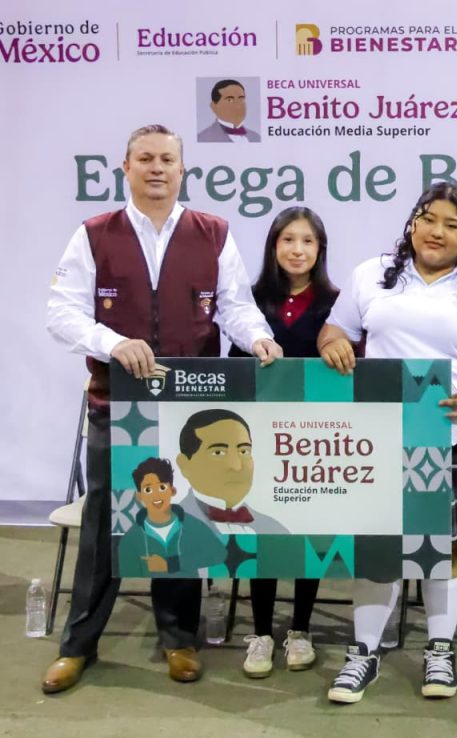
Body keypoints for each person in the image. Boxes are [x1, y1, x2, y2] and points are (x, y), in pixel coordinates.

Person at [44, 123, 281, 694]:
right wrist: (112, 342)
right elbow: (62, 313)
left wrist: (259, 338)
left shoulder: (213, 233)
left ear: (182, 170)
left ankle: (179, 638)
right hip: (116, 401)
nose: (156, 168)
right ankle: (78, 645)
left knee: (179, 517)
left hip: (187, 404)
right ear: (125, 168)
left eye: (167, 160)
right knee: (105, 523)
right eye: (145, 159)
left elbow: (235, 306)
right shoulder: (93, 234)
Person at [318, 183, 457, 703]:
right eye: (428, 219)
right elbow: (333, 331)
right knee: (378, 546)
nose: (437, 232)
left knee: (448, 546)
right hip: (380, 435)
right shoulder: (372, 274)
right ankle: (363, 655)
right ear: (412, 223)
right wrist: (335, 343)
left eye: (452, 225)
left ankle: (439, 650)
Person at [227, 207, 339, 678]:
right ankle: (260, 634)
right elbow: (235, 369)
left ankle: (301, 629)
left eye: (307, 241)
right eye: (288, 240)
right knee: (263, 535)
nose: (297, 250)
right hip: (259, 441)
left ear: (320, 249)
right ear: (273, 246)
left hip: (313, 444)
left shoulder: (336, 304)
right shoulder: (248, 302)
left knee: (308, 534)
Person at [176, 409, 288, 536]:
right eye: (218, 452)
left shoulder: (276, 529)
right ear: (184, 465)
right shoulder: (169, 528)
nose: (236, 466)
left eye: (244, 451)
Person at [117, 458, 226, 578]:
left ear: (172, 490)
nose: (156, 495)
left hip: (189, 588)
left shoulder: (191, 524)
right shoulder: (131, 538)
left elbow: (219, 553)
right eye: (148, 489)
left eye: (162, 487)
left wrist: (171, 564)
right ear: (139, 496)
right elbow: (129, 577)